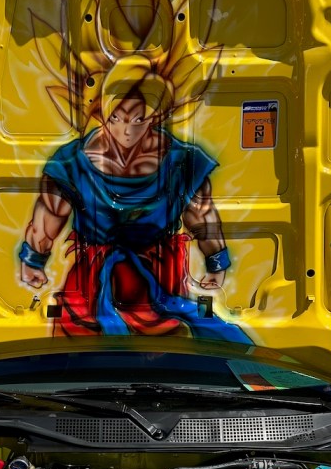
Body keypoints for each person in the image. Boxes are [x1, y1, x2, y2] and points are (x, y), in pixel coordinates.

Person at [18, 59, 250, 343]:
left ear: (155, 115)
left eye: (137, 119)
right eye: (117, 118)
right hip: (91, 282)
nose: (126, 131)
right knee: (79, 347)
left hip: (161, 278)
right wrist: (33, 260)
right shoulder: (71, 163)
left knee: (170, 346)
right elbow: (49, 216)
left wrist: (217, 262)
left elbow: (202, 216)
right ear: (103, 113)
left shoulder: (181, 161)